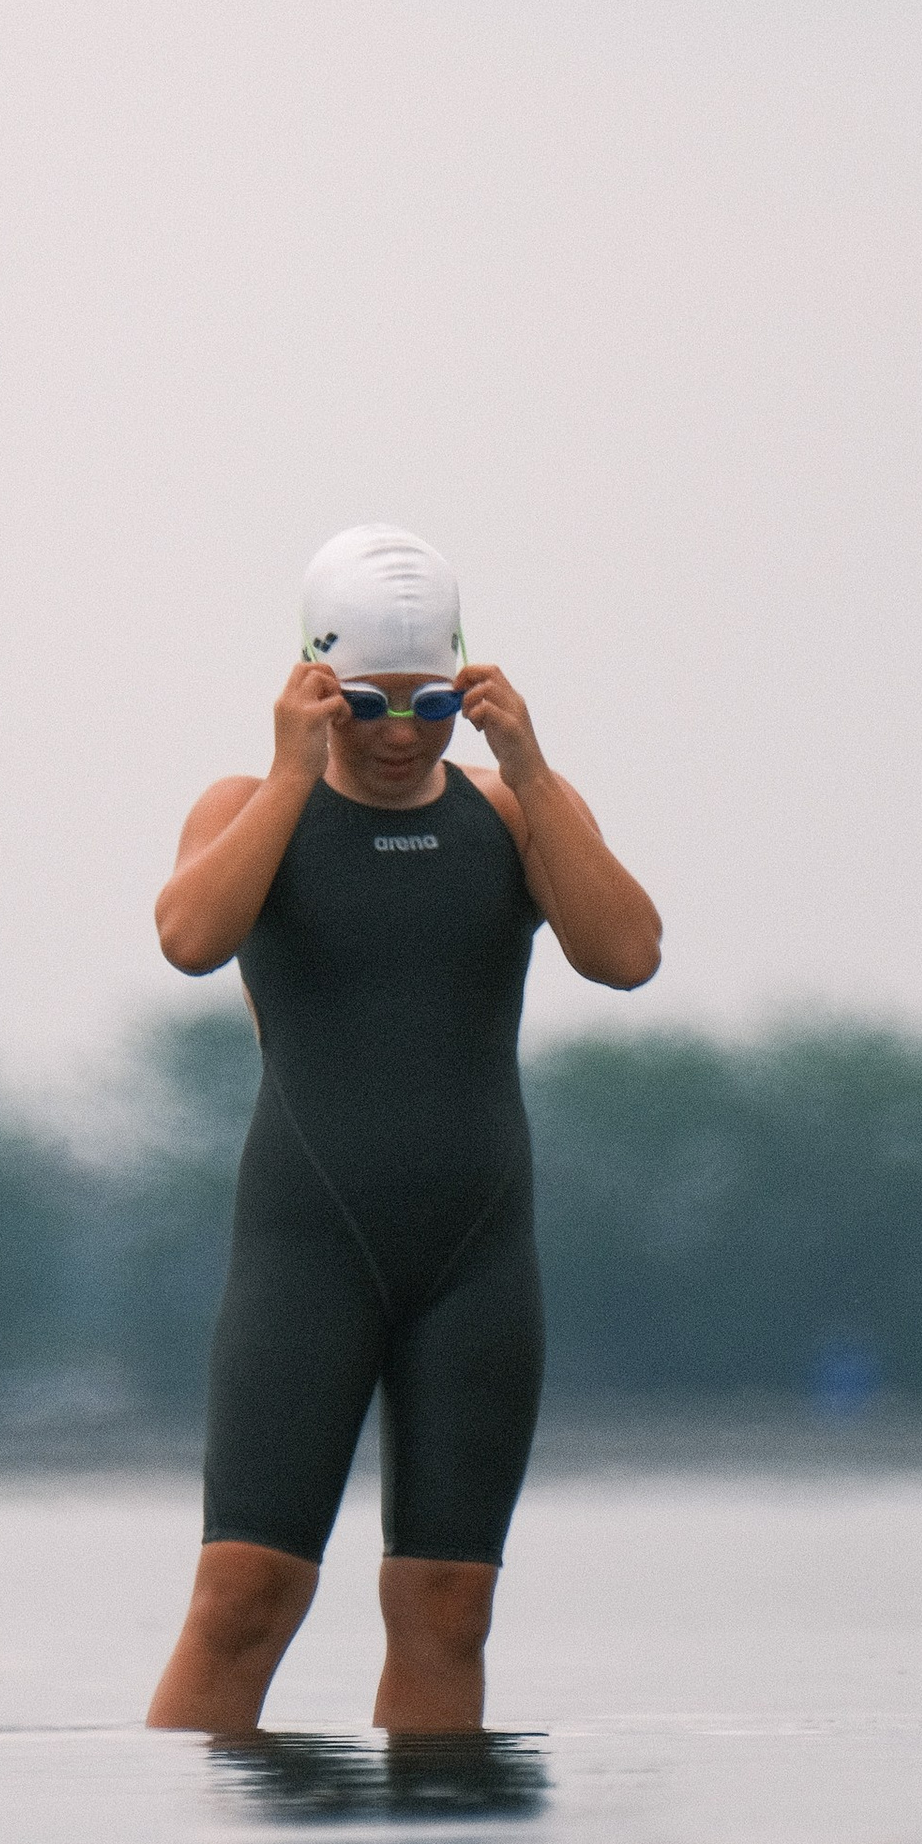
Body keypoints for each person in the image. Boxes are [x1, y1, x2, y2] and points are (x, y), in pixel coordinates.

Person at [146, 524, 662, 1735]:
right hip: (306, 1251)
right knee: (243, 1593)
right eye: (367, 703)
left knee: (448, 1604)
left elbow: (626, 956)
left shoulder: (510, 812)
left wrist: (530, 766)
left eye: (431, 703)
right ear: (315, 681)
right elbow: (188, 939)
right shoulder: (247, 805)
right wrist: (290, 772)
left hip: (476, 1258)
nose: (400, 732)